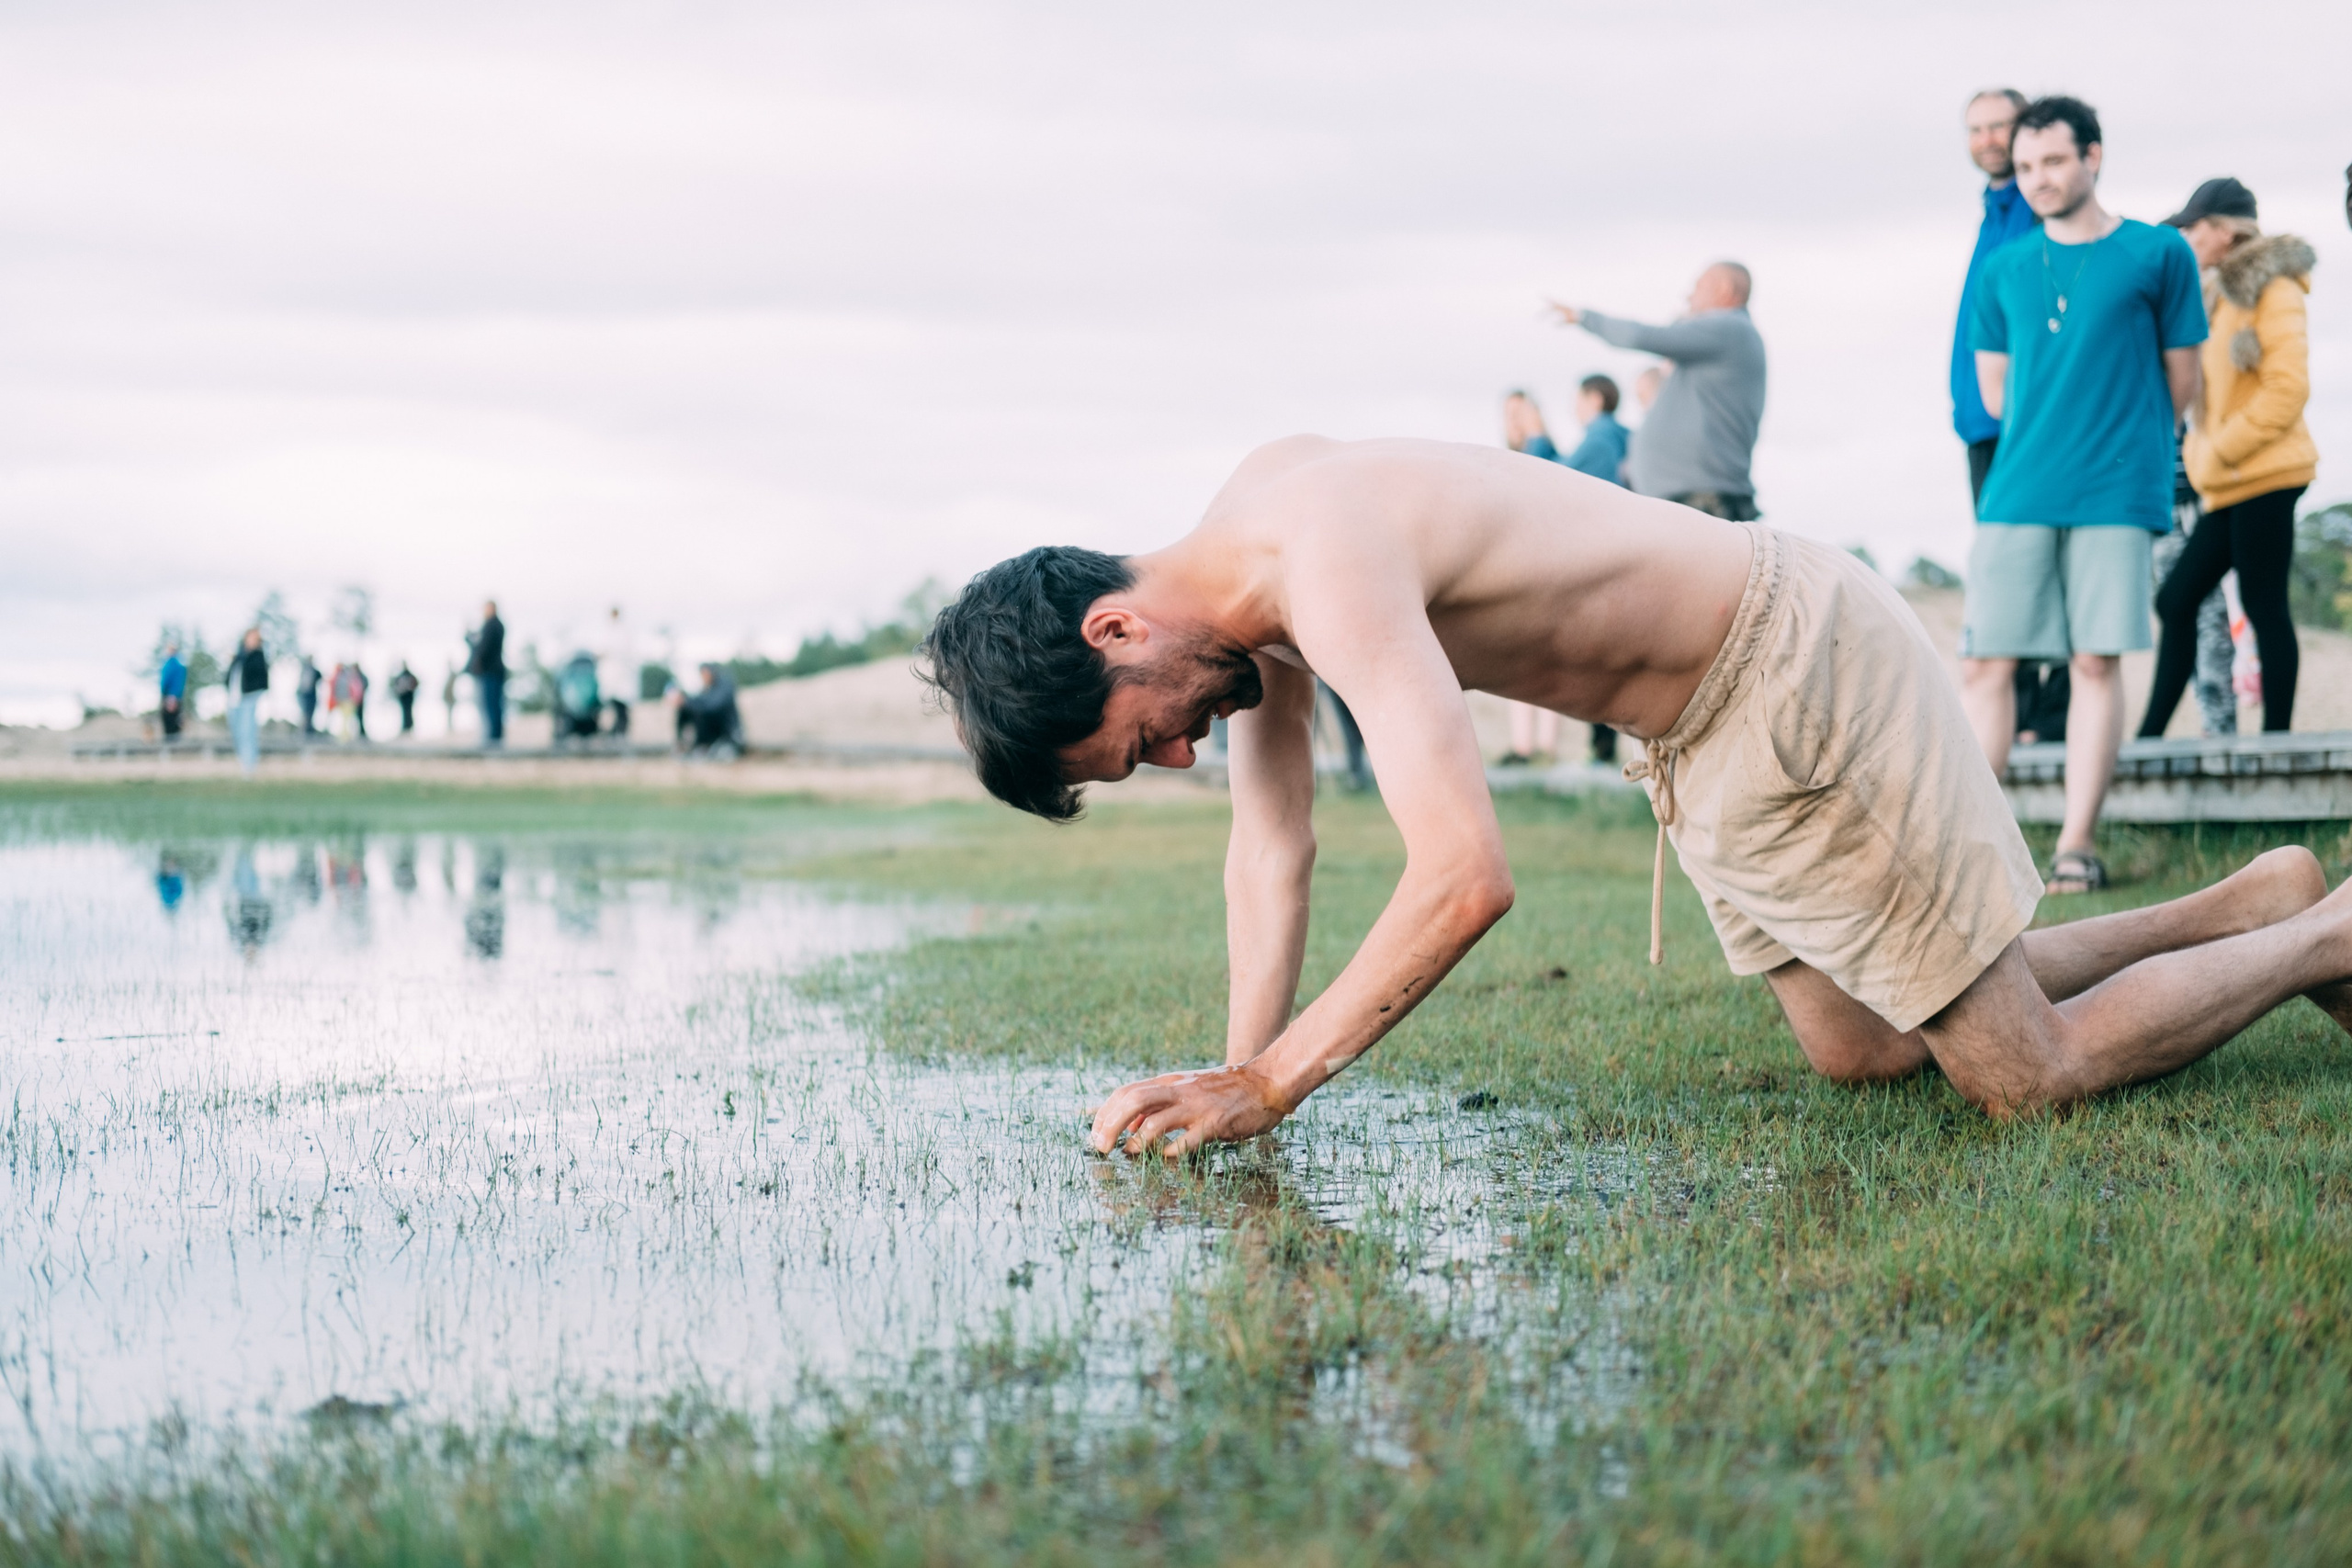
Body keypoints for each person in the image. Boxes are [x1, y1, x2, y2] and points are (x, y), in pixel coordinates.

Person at [916, 435, 2352, 1157]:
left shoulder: (1315, 556)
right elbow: (1271, 847)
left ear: (1116, 632)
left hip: (1786, 663)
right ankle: (2250, 900)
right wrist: (1240, 1080)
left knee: (2018, 1074)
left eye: (1136, 741)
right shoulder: (1248, 598)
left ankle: (2324, 933)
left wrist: (1278, 1078)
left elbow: (1465, 874)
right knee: (1864, 1047)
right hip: (1697, 733)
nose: (1175, 755)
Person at [1963, 96, 2205, 894]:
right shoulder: (2003, 269)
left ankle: (2077, 845)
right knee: (1986, 664)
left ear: (2093, 157)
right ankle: (1972, 845)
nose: (2037, 178)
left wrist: (2124, 442)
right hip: (2018, 488)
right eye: (2026, 166)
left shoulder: (2158, 253)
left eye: (2054, 161)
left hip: (2115, 489)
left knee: (2095, 661)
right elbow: (1995, 396)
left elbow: (2183, 381)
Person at [2139, 178, 2317, 739]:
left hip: (2265, 473)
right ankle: (2147, 741)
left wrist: (2217, 450)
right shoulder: (2216, 296)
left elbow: (2287, 390)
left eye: (2192, 227)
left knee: (2264, 607)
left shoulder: (2274, 289)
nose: (2186, 238)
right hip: (2230, 481)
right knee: (2177, 598)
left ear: (2222, 229)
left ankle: (2277, 746)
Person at [1948, 88, 2074, 750]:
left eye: (1999, 125)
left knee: (2041, 569)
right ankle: (2021, 715)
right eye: (1976, 128)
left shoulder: (2038, 210)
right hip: (1981, 427)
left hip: (2026, 423)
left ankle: (2049, 719)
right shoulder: (1993, 212)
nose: (1988, 138)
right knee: (2003, 574)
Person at [1550, 263, 1767, 519]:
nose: (1688, 297)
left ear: (1724, 288)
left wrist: (1584, 317)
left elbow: (1644, 337)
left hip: (1702, 504)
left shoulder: (1730, 328)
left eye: (1698, 287)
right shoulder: (1719, 343)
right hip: (1690, 503)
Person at [1500, 384, 1627, 764]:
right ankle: (1529, 747)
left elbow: (1549, 484)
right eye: (1510, 414)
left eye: (1520, 413)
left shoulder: (1586, 443)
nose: (1514, 421)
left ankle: (1546, 748)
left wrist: (1537, 437)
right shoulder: (1516, 452)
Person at [224, 627, 269, 776]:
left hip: (249, 697)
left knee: (247, 731)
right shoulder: (239, 656)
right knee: (237, 732)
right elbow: (231, 675)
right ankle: (243, 762)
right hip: (234, 699)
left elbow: (261, 678)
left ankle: (249, 768)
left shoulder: (258, 656)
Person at [673, 662, 744, 755]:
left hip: (728, 733)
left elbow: (712, 706)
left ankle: (706, 747)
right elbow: (699, 701)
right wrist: (683, 701)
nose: (703, 677)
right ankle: (683, 744)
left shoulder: (725, 686)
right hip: (712, 734)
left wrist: (686, 702)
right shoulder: (707, 689)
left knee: (694, 707)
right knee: (685, 708)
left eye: (704, 674)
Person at [469, 601, 507, 746]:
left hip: (491, 671)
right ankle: (495, 736)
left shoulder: (492, 625)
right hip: (494, 670)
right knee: (494, 705)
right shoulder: (497, 625)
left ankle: (493, 738)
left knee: (490, 705)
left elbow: (484, 647)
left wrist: (478, 660)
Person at [599, 604, 636, 738]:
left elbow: (622, 651)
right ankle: (618, 728)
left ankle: (621, 728)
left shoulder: (622, 631)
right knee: (614, 701)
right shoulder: (609, 631)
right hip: (612, 674)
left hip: (620, 672)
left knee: (621, 702)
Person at [158, 640, 187, 740]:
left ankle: (170, 742)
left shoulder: (171, 664)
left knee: (169, 720)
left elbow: (165, 681)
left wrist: (167, 694)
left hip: (170, 696)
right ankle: (174, 740)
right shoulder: (180, 665)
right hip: (176, 696)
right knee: (175, 720)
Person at [390, 661, 421, 735]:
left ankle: (408, 726)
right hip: (404, 696)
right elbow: (395, 684)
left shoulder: (409, 675)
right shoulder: (403, 675)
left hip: (408, 695)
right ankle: (406, 726)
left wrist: (410, 688)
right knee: (405, 711)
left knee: (408, 711)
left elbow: (416, 683)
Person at [295, 655, 321, 738]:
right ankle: (304, 731)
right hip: (304, 695)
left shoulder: (314, 671)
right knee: (305, 713)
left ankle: (309, 730)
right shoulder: (304, 669)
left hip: (311, 695)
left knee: (310, 712)